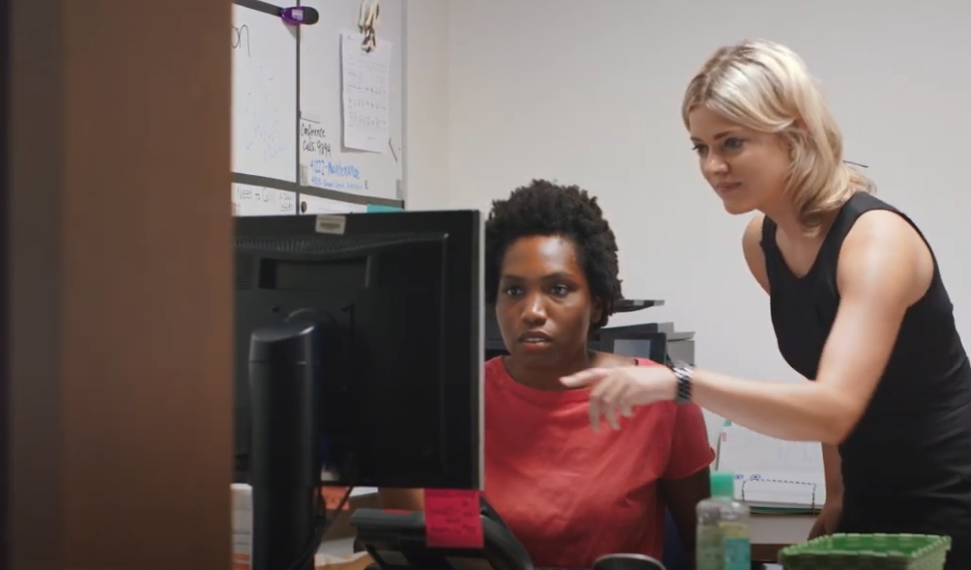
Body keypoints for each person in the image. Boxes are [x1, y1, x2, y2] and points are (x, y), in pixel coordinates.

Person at [560, 39, 971, 569]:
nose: (713, 166)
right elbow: (826, 380)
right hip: (869, 490)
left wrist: (678, 381)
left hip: (950, 494)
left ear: (794, 132)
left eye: (731, 142)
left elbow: (834, 409)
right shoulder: (762, 243)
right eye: (700, 147)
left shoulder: (876, 242)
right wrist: (837, 496)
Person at [380, 180, 714, 569]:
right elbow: (432, 547)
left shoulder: (660, 397)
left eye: (558, 288)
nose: (533, 311)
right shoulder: (454, 401)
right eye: (514, 291)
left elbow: (705, 549)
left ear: (597, 304)